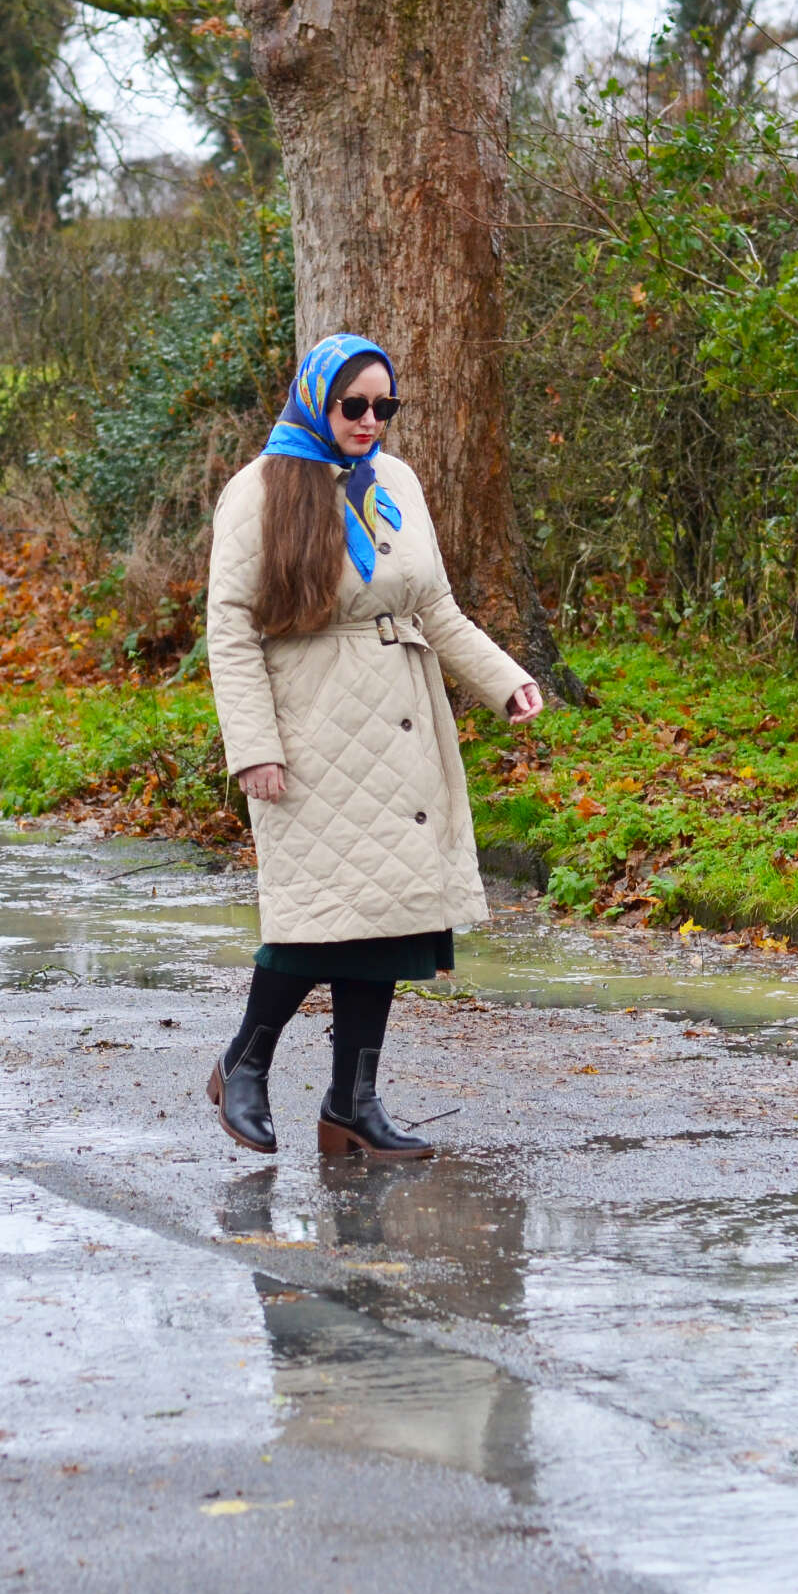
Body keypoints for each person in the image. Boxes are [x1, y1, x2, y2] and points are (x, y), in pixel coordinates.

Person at [203, 333, 546, 1160]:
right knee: (315, 923)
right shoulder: (257, 493)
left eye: (383, 406)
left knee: (388, 925)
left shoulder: (396, 483)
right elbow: (231, 631)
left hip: (400, 727)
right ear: (316, 397)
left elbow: (437, 606)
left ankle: (351, 1104)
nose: (368, 420)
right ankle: (244, 1061)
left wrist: (502, 679)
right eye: (353, 404)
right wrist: (254, 745)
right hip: (311, 732)